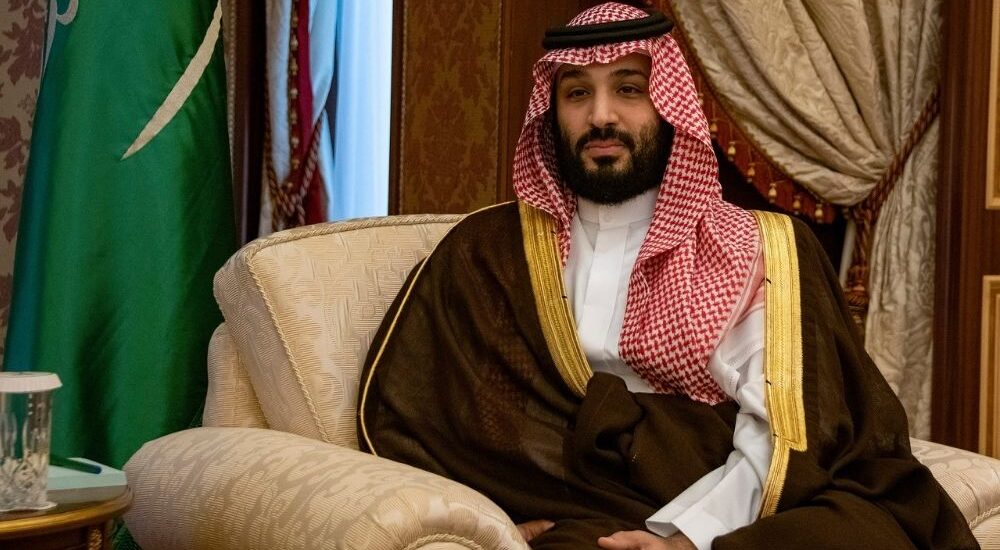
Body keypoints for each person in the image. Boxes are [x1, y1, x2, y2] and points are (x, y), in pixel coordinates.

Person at [357, 3, 977, 549]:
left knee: (865, 531)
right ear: (552, 111)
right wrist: (490, 514)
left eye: (629, 89)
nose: (601, 116)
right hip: (579, 508)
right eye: (577, 94)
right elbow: (421, 411)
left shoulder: (750, 247)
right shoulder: (489, 250)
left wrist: (688, 536)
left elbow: (784, 425)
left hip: (733, 500)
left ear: (669, 105)